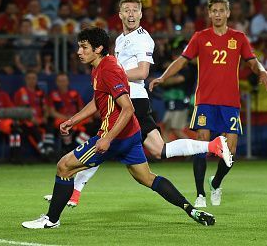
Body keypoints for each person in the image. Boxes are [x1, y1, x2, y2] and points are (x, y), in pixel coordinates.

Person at [22, 27, 215, 229]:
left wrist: (108, 138)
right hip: (131, 135)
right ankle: (191, 210)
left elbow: (128, 108)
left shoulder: (108, 70)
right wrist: (73, 120)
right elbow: (98, 101)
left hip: (115, 136)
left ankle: (51, 220)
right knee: (147, 178)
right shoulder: (104, 66)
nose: (79, 52)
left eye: (84, 47)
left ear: (98, 48)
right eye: (79, 47)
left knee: (64, 166)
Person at [47, 0, 231, 207]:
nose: (131, 14)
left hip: (131, 99)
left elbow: (143, 72)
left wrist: (112, 74)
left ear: (141, 14)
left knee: (103, 142)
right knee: (159, 150)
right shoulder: (121, 40)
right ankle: (213, 144)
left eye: (135, 10)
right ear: (120, 14)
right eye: (127, 10)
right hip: (127, 97)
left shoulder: (143, 39)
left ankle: (74, 192)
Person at [150, 0, 267, 207]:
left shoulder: (239, 37)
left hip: (230, 103)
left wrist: (262, 72)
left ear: (228, 13)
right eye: (213, 11)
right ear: (209, 14)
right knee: (201, 144)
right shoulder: (200, 37)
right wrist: (163, 77)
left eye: (221, 10)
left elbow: (253, 62)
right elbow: (182, 60)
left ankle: (216, 183)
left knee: (231, 151)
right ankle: (200, 194)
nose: (217, 14)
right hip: (205, 101)